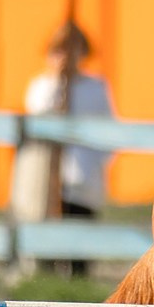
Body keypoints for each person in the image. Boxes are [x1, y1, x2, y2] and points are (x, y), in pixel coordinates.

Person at [22, 28, 117, 278]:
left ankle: (77, 281)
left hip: (82, 175)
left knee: (80, 235)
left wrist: (95, 161)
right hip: (47, 176)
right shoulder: (42, 86)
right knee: (45, 236)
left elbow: (108, 131)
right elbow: (37, 115)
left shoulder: (95, 88)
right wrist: (58, 83)